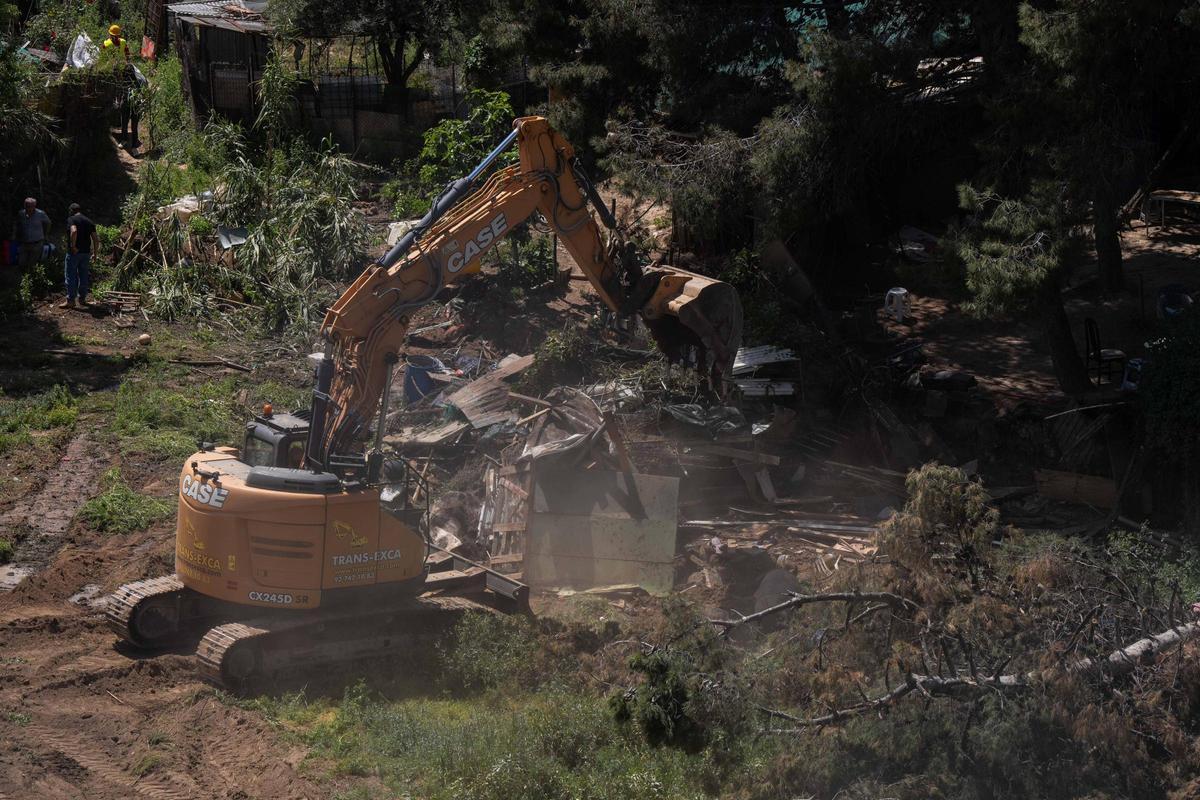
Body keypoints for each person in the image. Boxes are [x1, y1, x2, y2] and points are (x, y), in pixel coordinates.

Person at [62, 203, 99, 309]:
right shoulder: (89, 221)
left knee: (70, 275)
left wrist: (73, 246)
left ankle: (70, 300)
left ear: (71, 211)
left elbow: (74, 231)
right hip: (86, 253)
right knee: (83, 275)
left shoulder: (71, 219)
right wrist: (95, 254)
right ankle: (82, 299)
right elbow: (95, 239)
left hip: (74, 253)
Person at [12, 197, 50, 275]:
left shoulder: (40, 214)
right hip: (24, 243)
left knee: (32, 265)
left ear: (34, 206)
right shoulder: (21, 213)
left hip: (37, 243)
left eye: (30, 206)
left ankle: (31, 282)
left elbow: (48, 223)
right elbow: (16, 224)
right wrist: (14, 235)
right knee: (21, 263)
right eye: (26, 206)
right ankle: (23, 281)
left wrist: (45, 234)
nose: (28, 208)